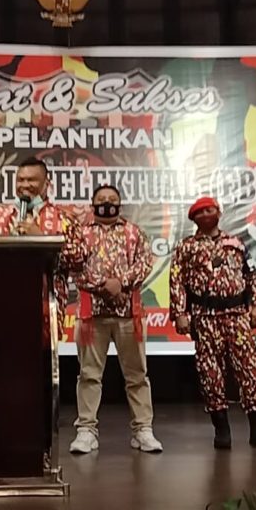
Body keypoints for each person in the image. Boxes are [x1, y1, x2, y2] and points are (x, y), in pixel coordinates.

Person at [169, 197, 256, 450]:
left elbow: (252, 274)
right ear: (193, 219)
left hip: (237, 315)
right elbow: (177, 281)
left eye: (210, 210)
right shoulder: (186, 247)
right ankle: (222, 430)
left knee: (250, 370)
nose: (206, 214)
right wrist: (180, 313)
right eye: (200, 212)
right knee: (211, 374)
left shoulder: (235, 243)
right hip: (205, 317)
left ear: (218, 212)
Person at [69, 185, 162, 454]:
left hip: (128, 314)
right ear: (92, 205)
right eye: (101, 199)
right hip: (92, 315)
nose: (107, 203)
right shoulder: (80, 234)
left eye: (112, 199)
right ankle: (86, 431)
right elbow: (73, 267)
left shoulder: (134, 232)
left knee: (137, 375)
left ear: (120, 205)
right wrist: (103, 285)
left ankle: (143, 430)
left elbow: (145, 263)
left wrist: (120, 282)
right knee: (88, 375)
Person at [0, 157, 86, 340]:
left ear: (46, 184)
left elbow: (79, 259)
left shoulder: (65, 219)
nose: (25, 185)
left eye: (31, 180)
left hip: (45, 312)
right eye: (20, 180)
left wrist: (42, 239)